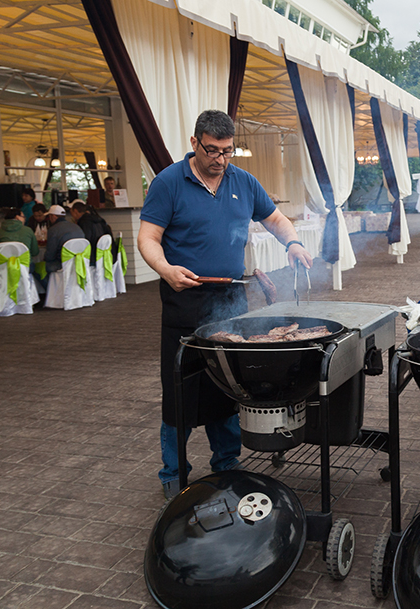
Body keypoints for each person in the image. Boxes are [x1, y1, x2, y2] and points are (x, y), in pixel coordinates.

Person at [138, 109, 314, 500]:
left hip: (232, 301)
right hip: (185, 300)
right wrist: (165, 268)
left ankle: (227, 465)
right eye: (213, 150)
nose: (220, 159)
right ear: (194, 143)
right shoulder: (169, 182)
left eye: (228, 151)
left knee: (228, 387)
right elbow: (148, 238)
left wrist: (294, 242)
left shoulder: (243, 181)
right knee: (179, 392)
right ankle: (173, 472)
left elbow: (276, 219)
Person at [42, 204, 84, 274]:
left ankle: (52, 285)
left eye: (49, 216)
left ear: (53, 216)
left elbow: (50, 255)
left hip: (62, 264)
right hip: (79, 262)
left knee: (43, 267)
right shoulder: (76, 227)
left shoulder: (53, 230)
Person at [70, 200, 113, 265]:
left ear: (75, 211)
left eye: (71, 213)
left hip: (91, 257)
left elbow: (85, 241)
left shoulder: (84, 222)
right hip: (104, 256)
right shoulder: (99, 220)